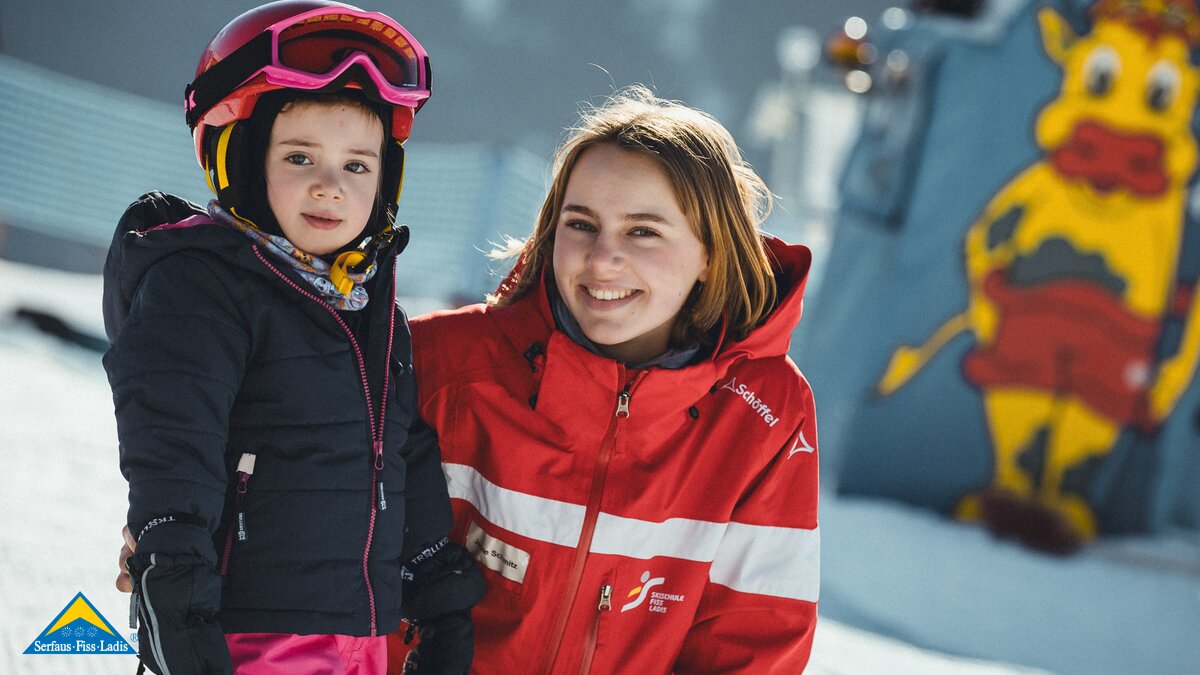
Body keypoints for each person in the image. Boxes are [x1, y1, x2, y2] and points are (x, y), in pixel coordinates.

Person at [103, 2, 482, 673]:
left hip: (356, 636)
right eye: (300, 155)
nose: (330, 186)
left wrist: (437, 588)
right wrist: (174, 584)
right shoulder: (203, 286)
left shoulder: (368, 300)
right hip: (243, 635)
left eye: (358, 165)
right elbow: (171, 444)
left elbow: (403, 449)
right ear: (241, 160)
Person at [389, 86, 821, 673]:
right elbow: (338, 576)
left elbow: (756, 638)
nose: (600, 260)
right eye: (582, 224)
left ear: (711, 254)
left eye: (642, 231)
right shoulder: (440, 360)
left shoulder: (764, 412)